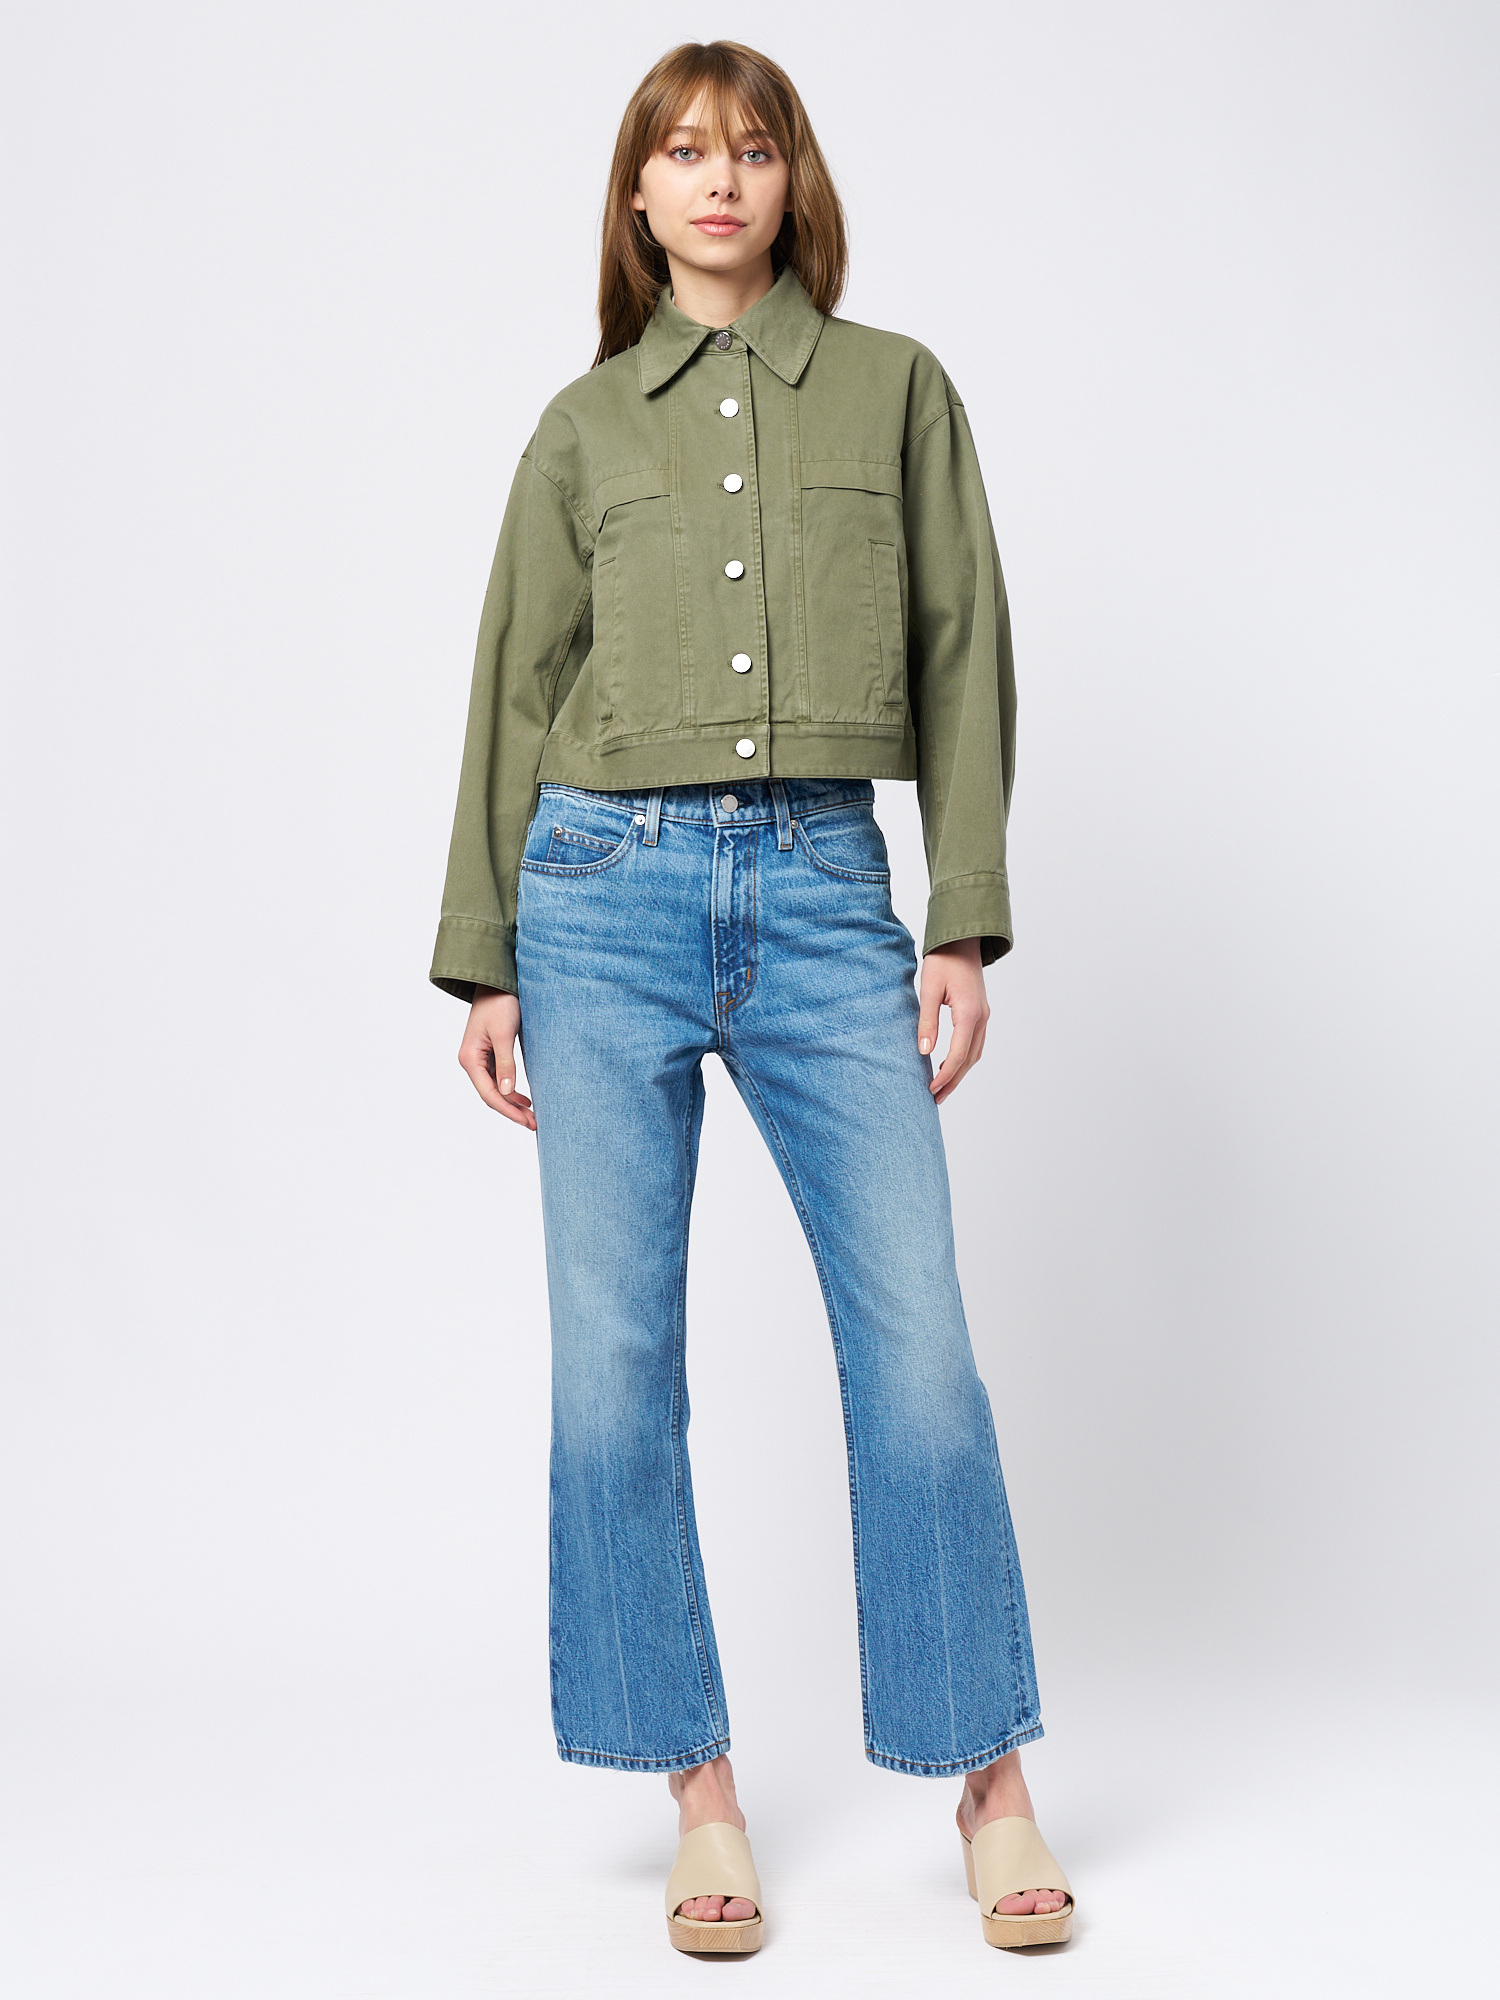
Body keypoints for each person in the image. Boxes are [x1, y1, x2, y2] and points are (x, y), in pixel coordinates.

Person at [430, 39, 1073, 1955]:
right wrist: (485, 952)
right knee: (614, 1368)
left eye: (753, 146)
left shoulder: (896, 389)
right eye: (684, 151)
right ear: (638, 196)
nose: (720, 177)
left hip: (820, 892)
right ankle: (697, 1792)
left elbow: (962, 647)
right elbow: (512, 682)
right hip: (596, 901)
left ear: (797, 180)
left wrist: (959, 917)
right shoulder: (580, 431)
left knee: (920, 1352)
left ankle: (991, 1779)